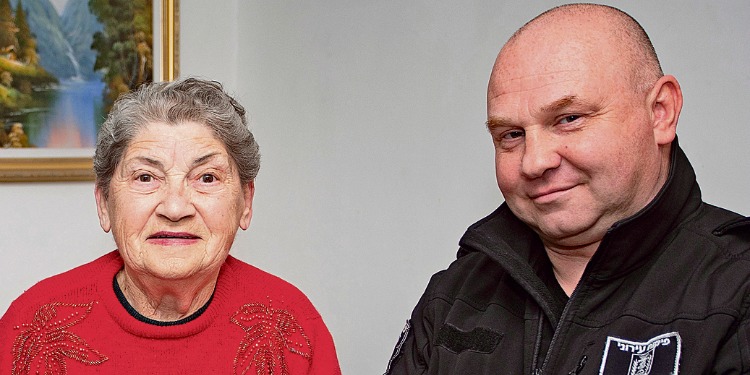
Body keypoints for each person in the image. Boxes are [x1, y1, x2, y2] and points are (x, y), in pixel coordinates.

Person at [385, 3, 750, 374]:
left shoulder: (739, 289)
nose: (534, 161)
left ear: (660, 111)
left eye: (569, 119)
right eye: (511, 135)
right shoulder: (452, 298)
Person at [0, 78, 341, 374]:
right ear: (104, 203)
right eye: (146, 177)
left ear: (245, 203)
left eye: (207, 177)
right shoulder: (32, 326)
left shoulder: (291, 325)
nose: (175, 208)